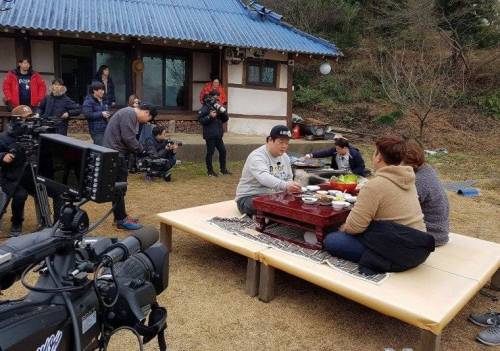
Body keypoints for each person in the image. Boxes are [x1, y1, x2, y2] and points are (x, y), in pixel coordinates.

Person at [323, 136, 426, 263]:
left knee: (332, 239)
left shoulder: (374, 185)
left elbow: (354, 228)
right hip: (420, 247)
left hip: (400, 251)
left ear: (379, 158)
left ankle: (377, 258)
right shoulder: (408, 179)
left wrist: (343, 228)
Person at [103, 102, 157, 230]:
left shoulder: (127, 113)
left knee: (119, 187)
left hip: (114, 152)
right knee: (119, 187)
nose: (147, 122)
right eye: (149, 119)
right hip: (115, 154)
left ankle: (120, 216)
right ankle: (121, 220)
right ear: (146, 113)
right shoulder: (129, 113)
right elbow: (128, 138)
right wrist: (142, 150)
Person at [235, 125, 302, 217]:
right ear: (270, 140)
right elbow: (264, 177)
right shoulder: (257, 156)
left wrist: (292, 186)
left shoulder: (285, 157)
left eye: (287, 143)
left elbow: (289, 178)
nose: (284, 146)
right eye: (281, 142)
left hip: (274, 196)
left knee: (298, 204)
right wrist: (286, 185)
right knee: (275, 208)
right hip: (249, 197)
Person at [403, 138, 449, 246]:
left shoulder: (418, 180)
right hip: (438, 232)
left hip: (430, 235)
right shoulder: (426, 170)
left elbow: (398, 211)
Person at [0, 105, 34, 236]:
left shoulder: (34, 133)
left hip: (30, 175)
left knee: (54, 189)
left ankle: (51, 222)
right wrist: (3, 156)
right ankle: (17, 222)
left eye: (31, 117)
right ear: (17, 120)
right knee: (20, 195)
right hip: (10, 176)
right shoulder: (4, 137)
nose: (30, 121)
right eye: (27, 118)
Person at [198, 95, 230, 177]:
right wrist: (210, 116)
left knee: (223, 151)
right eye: (213, 99)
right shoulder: (204, 109)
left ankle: (223, 170)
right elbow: (201, 120)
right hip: (210, 135)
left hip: (218, 134)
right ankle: (210, 171)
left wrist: (223, 113)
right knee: (210, 153)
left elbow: (225, 119)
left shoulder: (216, 107)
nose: (215, 100)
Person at [82, 81, 111, 146]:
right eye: (100, 90)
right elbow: (87, 114)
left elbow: (106, 111)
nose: (103, 92)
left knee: (107, 147)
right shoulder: (88, 101)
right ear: (94, 91)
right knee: (100, 148)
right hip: (96, 130)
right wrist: (101, 114)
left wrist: (108, 114)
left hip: (106, 128)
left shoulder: (104, 100)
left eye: (103, 89)